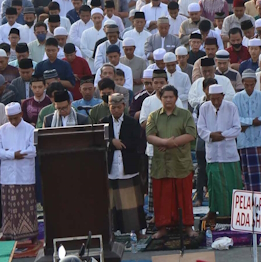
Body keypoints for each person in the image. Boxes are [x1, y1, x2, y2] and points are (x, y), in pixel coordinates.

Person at [146, 85, 198, 238]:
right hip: (161, 165)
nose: (168, 100)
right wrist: (162, 142)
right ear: (160, 98)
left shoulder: (185, 115)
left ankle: (188, 227)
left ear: (176, 98)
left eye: (171, 97)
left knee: (184, 197)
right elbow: (149, 136)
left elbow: (191, 134)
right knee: (162, 198)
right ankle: (162, 229)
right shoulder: (153, 116)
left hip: (180, 163)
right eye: (165, 97)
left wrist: (170, 143)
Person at [197, 83, 242, 222]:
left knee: (232, 183)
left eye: (218, 98)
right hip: (213, 153)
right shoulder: (204, 107)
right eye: (213, 99)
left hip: (229, 153)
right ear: (208, 97)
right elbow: (200, 128)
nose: (216, 102)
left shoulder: (231, 107)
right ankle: (213, 211)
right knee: (213, 184)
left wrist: (222, 135)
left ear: (223, 96)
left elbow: (237, 128)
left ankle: (234, 213)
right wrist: (211, 135)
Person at [103, 92, 146, 237]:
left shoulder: (131, 122)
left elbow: (136, 143)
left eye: (117, 107)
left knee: (132, 202)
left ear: (123, 106)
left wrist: (119, 143)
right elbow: (98, 142)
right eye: (112, 107)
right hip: (111, 168)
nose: (115, 110)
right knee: (112, 203)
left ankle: (137, 231)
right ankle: (111, 233)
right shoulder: (104, 122)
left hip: (128, 166)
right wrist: (111, 142)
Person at [0, 102, 37, 242]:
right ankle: (9, 234)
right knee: (9, 206)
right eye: (10, 118)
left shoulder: (30, 129)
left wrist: (13, 153)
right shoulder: (2, 130)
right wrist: (13, 155)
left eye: (15, 118)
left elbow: (33, 150)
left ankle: (28, 235)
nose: (13, 121)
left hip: (24, 175)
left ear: (21, 114)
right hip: (8, 176)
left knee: (26, 205)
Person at [234, 69, 261, 193]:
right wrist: (252, 122)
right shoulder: (237, 97)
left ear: (255, 83)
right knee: (247, 175)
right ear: (243, 83)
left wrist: (249, 123)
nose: (249, 87)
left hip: (260, 140)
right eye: (246, 84)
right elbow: (235, 119)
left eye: (251, 84)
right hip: (244, 141)